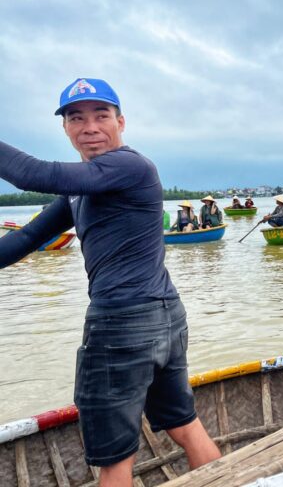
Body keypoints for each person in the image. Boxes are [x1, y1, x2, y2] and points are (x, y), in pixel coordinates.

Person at [0, 78, 220, 485]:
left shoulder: (129, 166)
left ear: (121, 122)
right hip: (163, 318)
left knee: (115, 457)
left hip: (122, 325)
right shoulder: (82, 189)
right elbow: (30, 237)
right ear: (65, 129)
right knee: (183, 423)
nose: (90, 127)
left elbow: (31, 173)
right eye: (76, 118)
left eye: (101, 116)